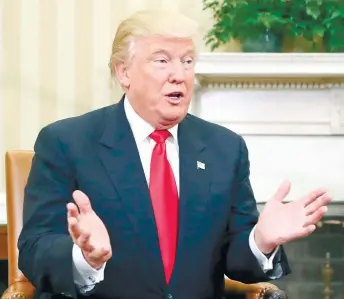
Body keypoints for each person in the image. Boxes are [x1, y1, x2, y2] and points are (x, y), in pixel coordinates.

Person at [18, 9, 332, 299]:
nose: (179, 74)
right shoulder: (66, 142)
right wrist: (84, 258)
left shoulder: (225, 148)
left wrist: (261, 241)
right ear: (124, 72)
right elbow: (34, 248)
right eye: (162, 60)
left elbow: (234, 258)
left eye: (188, 61)